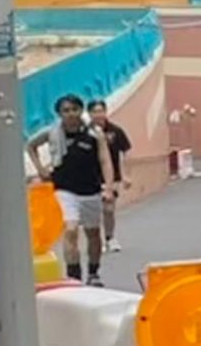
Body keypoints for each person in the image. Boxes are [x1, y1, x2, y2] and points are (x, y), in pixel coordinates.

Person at [38, 94, 109, 285]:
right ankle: (74, 276)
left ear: (81, 110)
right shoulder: (53, 133)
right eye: (66, 111)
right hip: (65, 189)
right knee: (70, 230)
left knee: (93, 234)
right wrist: (41, 169)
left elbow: (105, 160)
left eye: (74, 109)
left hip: (91, 189)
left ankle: (93, 273)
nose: (70, 114)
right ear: (59, 114)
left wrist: (108, 187)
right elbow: (31, 146)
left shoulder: (94, 134)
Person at [89, 98, 133, 247]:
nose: (98, 114)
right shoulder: (85, 132)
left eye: (101, 111)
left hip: (112, 176)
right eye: (95, 111)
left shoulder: (115, 131)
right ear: (89, 114)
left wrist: (126, 175)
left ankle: (110, 238)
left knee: (108, 208)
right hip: (91, 177)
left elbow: (126, 151)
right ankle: (97, 240)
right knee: (94, 210)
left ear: (105, 112)